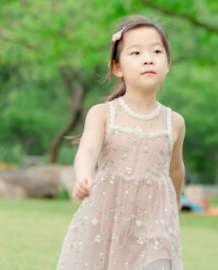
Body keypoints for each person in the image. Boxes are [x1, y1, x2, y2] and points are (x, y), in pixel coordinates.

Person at [57, 15, 185, 270]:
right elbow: (88, 151)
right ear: (117, 67)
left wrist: (174, 213)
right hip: (105, 221)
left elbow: (175, 170)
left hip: (154, 226)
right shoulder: (103, 114)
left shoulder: (174, 122)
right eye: (136, 53)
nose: (148, 58)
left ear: (167, 64)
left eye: (157, 51)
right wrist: (83, 177)